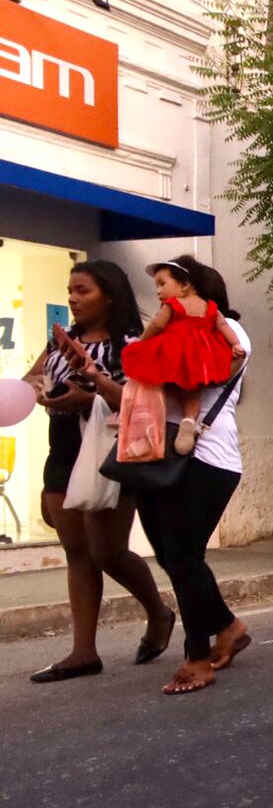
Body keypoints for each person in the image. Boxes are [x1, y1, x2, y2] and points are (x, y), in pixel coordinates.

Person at [23, 261, 173, 683]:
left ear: (108, 294)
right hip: (64, 450)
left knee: (107, 550)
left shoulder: (132, 342)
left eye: (82, 290)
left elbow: (140, 399)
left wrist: (87, 400)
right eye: (70, 290)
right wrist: (38, 388)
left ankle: (158, 612)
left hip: (111, 449)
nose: (72, 297)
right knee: (76, 550)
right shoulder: (60, 343)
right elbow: (33, 374)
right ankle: (83, 652)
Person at [131, 257, 252, 695]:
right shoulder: (170, 328)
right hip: (161, 454)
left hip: (207, 457)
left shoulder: (229, 332)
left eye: (167, 285)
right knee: (171, 555)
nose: (160, 294)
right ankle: (228, 626)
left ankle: (197, 658)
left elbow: (199, 374)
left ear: (191, 289)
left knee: (183, 556)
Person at [120, 259, 246, 455]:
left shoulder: (172, 306)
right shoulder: (211, 310)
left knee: (149, 380)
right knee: (191, 391)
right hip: (199, 357)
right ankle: (188, 422)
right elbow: (223, 326)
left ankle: (144, 430)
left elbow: (156, 326)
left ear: (185, 284)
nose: (158, 291)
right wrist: (234, 344)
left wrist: (141, 343)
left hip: (174, 352)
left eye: (162, 284)